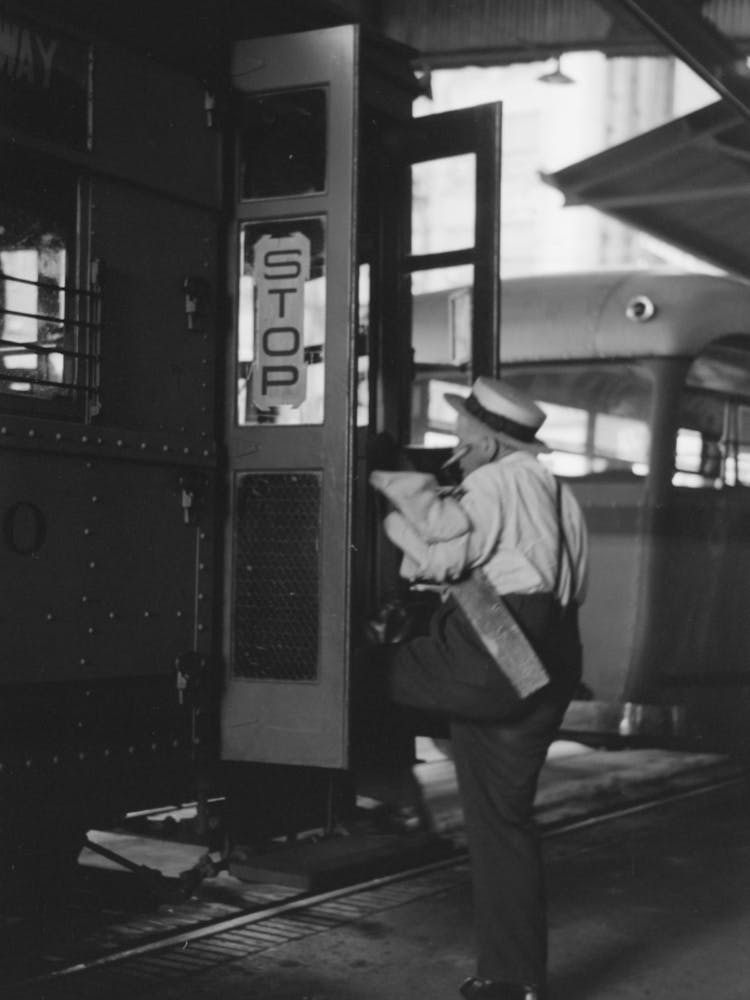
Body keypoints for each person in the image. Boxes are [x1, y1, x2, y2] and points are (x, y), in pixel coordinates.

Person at [369, 376, 588, 1000]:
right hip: (547, 659)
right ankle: (511, 979)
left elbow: (443, 556)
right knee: (502, 820)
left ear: (490, 444)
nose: (457, 443)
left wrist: (391, 491)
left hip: (496, 646)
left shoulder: (493, 481)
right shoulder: (555, 490)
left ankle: (379, 787)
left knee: (353, 676)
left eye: (464, 433)